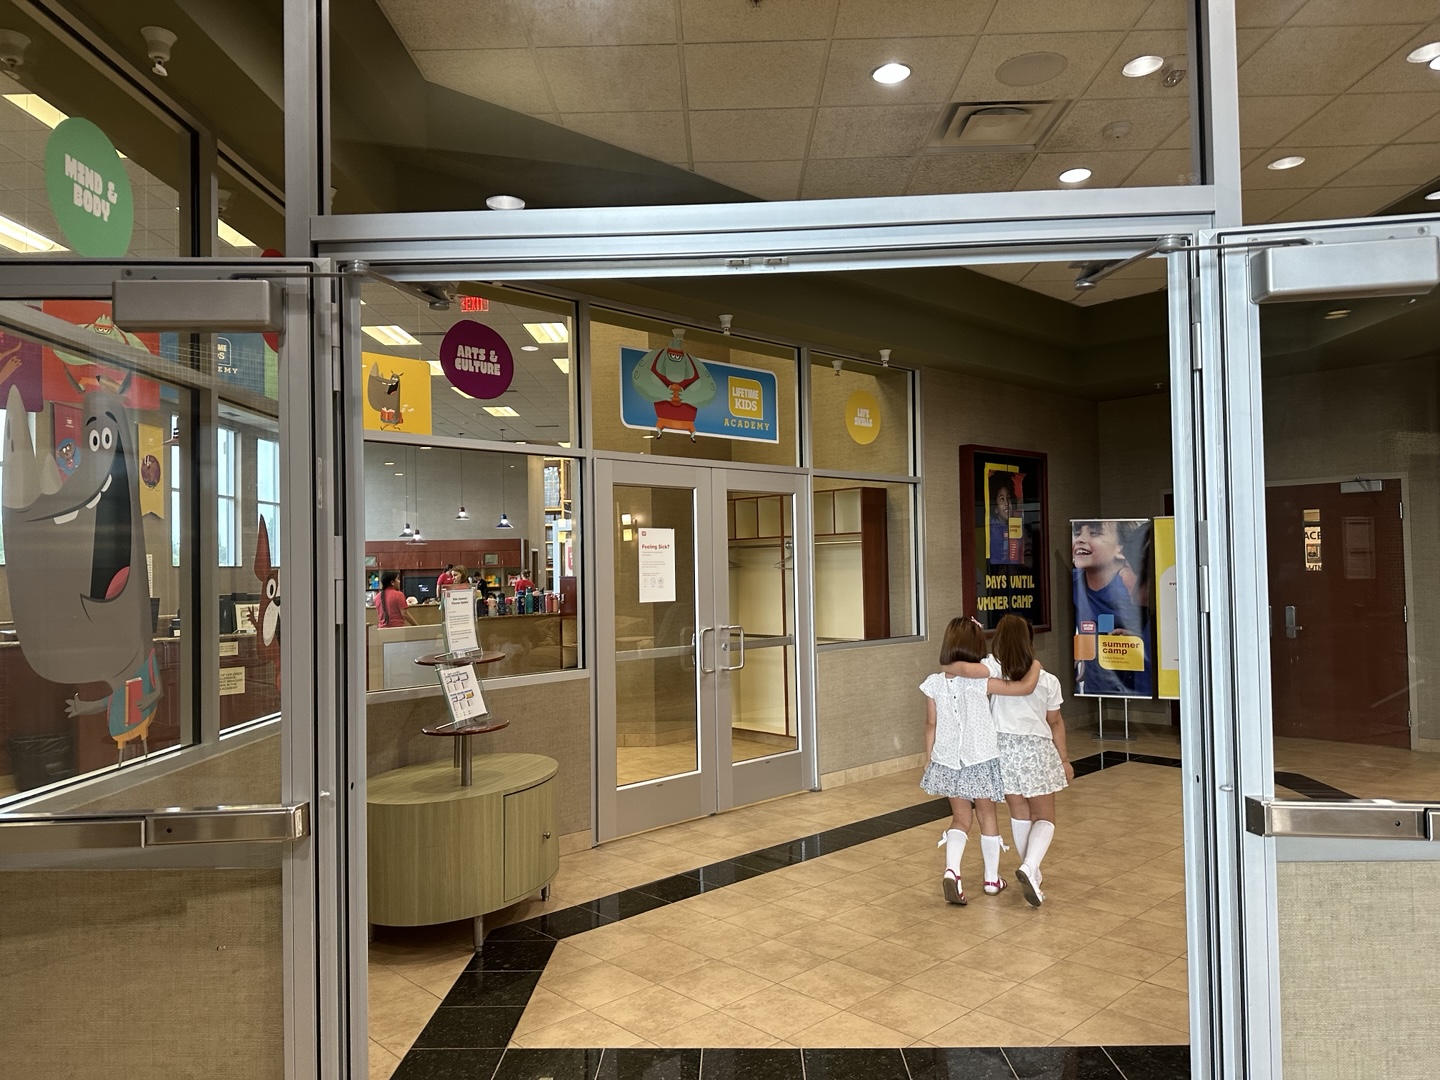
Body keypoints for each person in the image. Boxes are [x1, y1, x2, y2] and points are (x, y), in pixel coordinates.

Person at [923, 616, 1040, 905]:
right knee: (987, 815)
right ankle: (991, 880)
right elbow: (1022, 689)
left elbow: (930, 724)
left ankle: (952, 871)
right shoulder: (982, 682)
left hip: (947, 760)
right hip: (980, 758)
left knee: (960, 818)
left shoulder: (933, 684)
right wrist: (1035, 669)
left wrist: (930, 759)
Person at [988, 614, 1073, 908]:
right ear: (1030, 641)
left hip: (1002, 750)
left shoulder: (990, 677)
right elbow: (1055, 721)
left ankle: (1032, 871)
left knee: (1019, 812)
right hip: (1036, 750)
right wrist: (1064, 759)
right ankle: (1030, 866)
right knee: (1045, 817)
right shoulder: (1047, 680)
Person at [1072, 519, 1153, 696]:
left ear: (1121, 550)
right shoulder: (1073, 584)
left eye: (1094, 533)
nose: (1080, 539)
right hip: (1095, 691)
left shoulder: (1133, 594)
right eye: (1077, 533)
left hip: (1135, 691)